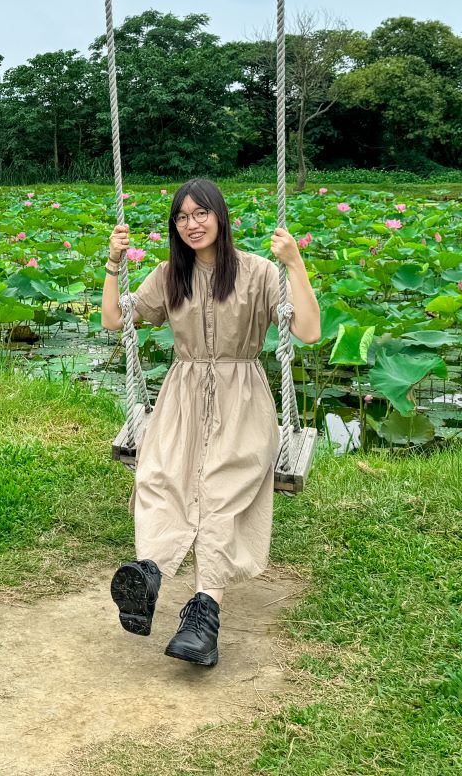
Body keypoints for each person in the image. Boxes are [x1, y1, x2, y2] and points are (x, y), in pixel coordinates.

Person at [100, 177, 321, 667]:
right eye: (181, 217)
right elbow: (115, 320)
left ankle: (204, 615)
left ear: (220, 216)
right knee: (158, 477)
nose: (191, 224)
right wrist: (114, 264)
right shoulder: (168, 275)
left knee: (220, 492)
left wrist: (294, 262)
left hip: (241, 399)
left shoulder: (260, 272)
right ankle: (150, 573)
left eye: (201, 213)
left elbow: (308, 330)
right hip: (181, 396)